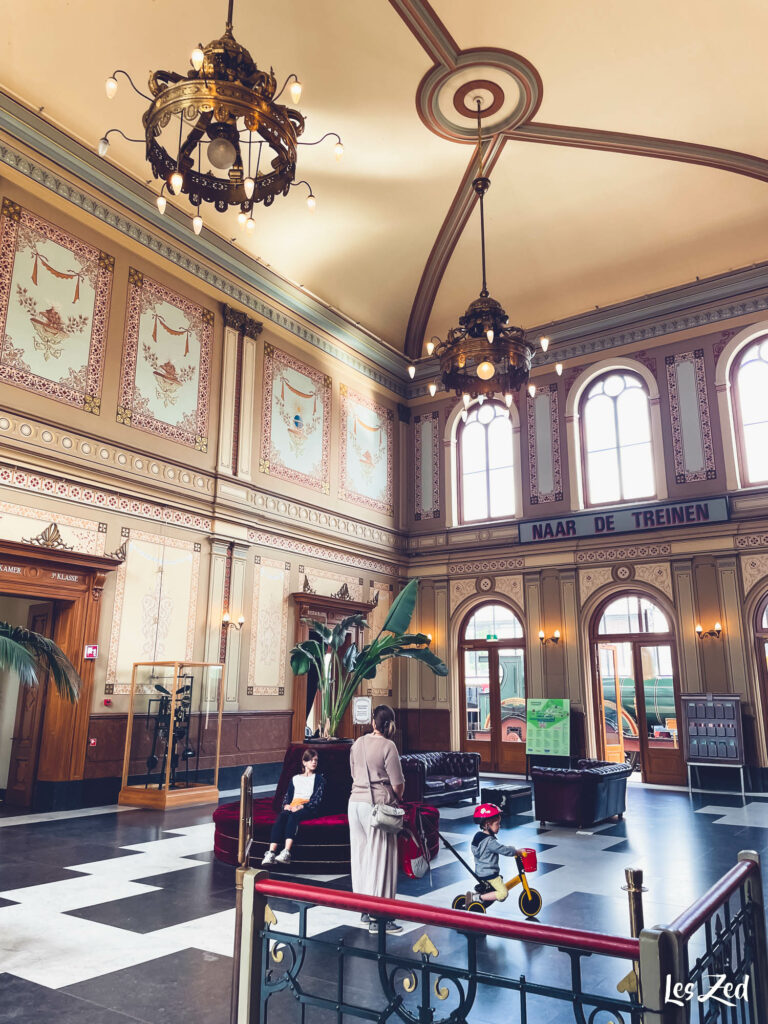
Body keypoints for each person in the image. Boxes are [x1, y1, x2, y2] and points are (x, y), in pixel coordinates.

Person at [348, 704, 405, 934]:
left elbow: (353, 773)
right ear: (390, 724)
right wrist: (397, 797)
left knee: (360, 857)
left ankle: (364, 909)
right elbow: (397, 784)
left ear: (373, 722)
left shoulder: (357, 743)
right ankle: (380, 918)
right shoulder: (389, 746)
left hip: (354, 804)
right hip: (378, 806)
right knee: (381, 859)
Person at [262, 747, 325, 866]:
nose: (314, 762)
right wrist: (286, 805)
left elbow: (317, 799)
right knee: (282, 816)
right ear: (304, 762)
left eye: (316, 760)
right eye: (311, 760)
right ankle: (271, 853)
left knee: (293, 817)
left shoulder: (319, 779)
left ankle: (286, 852)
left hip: (307, 807)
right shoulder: (295, 779)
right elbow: (288, 796)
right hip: (293, 805)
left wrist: (302, 806)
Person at [470, 803, 518, 905]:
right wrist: (516, 851)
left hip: (481, 872)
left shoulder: (478, 837)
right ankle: (478, 897)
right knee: (503, 894)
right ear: (487, 824)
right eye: (497, 824)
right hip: (490, 875)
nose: (499, 826)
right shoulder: (490, 842)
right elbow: (504, 850)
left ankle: (480, 897)